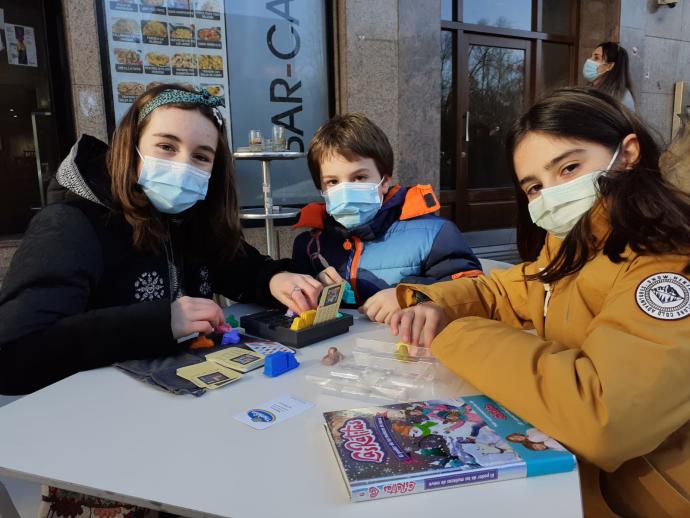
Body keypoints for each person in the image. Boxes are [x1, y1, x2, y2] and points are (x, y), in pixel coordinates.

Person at [389, 87, 690, 516]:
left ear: (627, 153)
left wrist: (455, 334)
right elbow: (507, 289)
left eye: (568, 168)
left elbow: (605, 416)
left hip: (650, 499)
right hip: (581, 481)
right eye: (534, 187)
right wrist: (432, 303)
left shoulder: (668, 261)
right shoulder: (575, 247)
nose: (550, 194)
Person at [0, 84, 323, 396]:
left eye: (201, 156)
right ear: (130, 148)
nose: (183, 165)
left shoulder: (192, 221)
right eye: (167, 147)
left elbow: (240, 268)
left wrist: (275, 278)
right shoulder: (71, 224)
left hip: (180, 400)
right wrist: (161, 321)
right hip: (93, 419)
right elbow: (15, 354)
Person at [292, 113, 482, 324]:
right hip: (337, 353)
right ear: (322, 189)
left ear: (384, 182)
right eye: (333, 182)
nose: (345, 190)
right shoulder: (309, 245)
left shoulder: (436, 234)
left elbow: (474, 292)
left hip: (410, 349)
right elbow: (295, 304)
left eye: (359, 177)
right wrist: (312, 287)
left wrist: (410, 297)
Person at [583, 41, 636, 111]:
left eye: (596, 58)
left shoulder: (623, 98)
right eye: (591, 57)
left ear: (609, 66)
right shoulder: (589, 90)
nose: (589, 60)